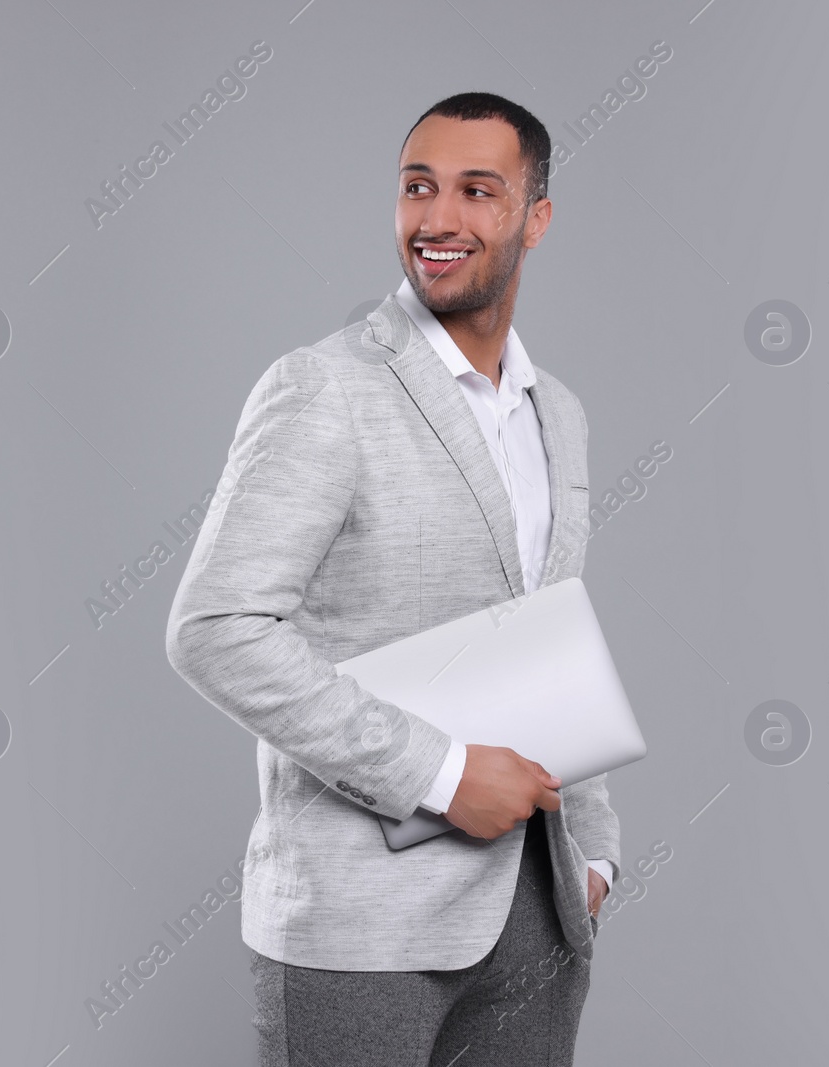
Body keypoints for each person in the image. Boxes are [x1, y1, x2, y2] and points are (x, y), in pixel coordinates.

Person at [164, 92, 620, 1066]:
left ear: (536, 217)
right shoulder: (323, 388)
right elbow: (215, 626)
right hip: (358, 931)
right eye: (418, 188)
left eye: (476, 191)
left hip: (537, 916)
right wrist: (442, 775)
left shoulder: (561, 414)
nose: (438, 219)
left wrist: (596, 849)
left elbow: (547, 628)